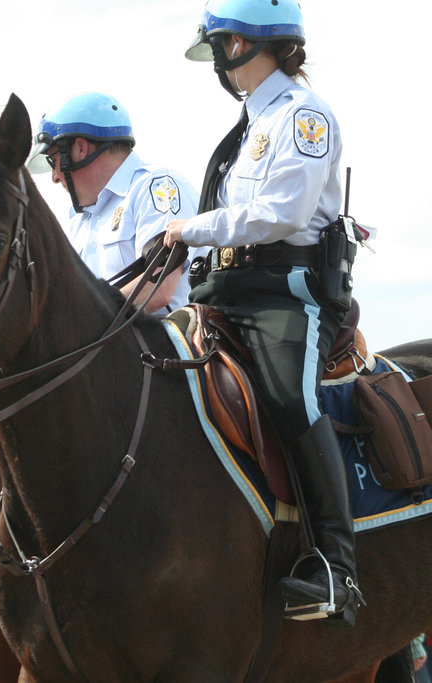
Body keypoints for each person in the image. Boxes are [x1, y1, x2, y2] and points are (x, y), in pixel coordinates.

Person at [165, 0, 361, 624]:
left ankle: (336, 565)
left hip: (288, 291)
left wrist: (191, 229)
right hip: (226, 290)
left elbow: (283, 214)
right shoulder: (249, 126)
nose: (218, 62)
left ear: (250, 44)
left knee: (286, 399)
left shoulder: (306, 116)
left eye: (221, 45)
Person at [26, 92, 200, 315]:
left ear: (80, 148)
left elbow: (159, 288)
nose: (54, 176)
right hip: (111, 347)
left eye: (54, 160)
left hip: (169, 344)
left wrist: (83, 316)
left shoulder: (154, 187)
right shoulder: (78, 223)